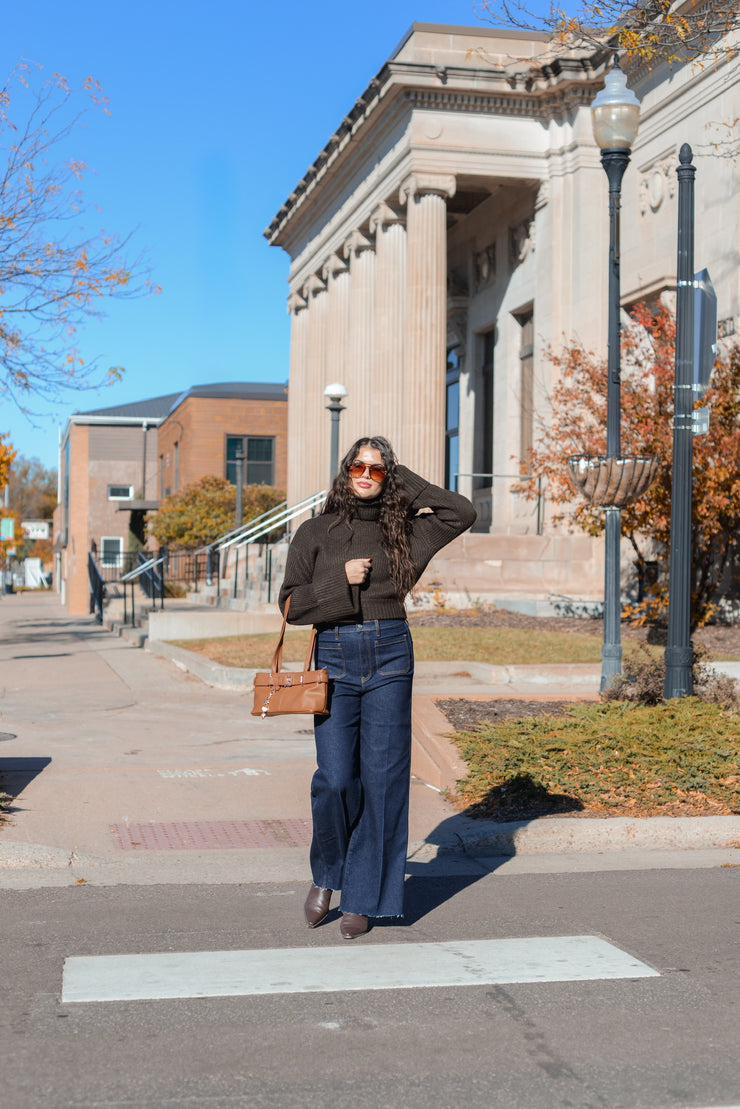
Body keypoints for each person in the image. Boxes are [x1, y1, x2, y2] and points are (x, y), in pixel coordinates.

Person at [279, 436, 476, 939]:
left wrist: (401, 474)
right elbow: (291, 606)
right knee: (336, 779)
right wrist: (339, 582)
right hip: (336, 657)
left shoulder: (406, 533)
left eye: (377, 469)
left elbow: (461, 511)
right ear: (344, 471)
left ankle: (363, 897)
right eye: (358, 466)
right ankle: (328, 873)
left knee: (384, 782)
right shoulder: (315, 531)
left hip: (390, 653)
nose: (365, 475)